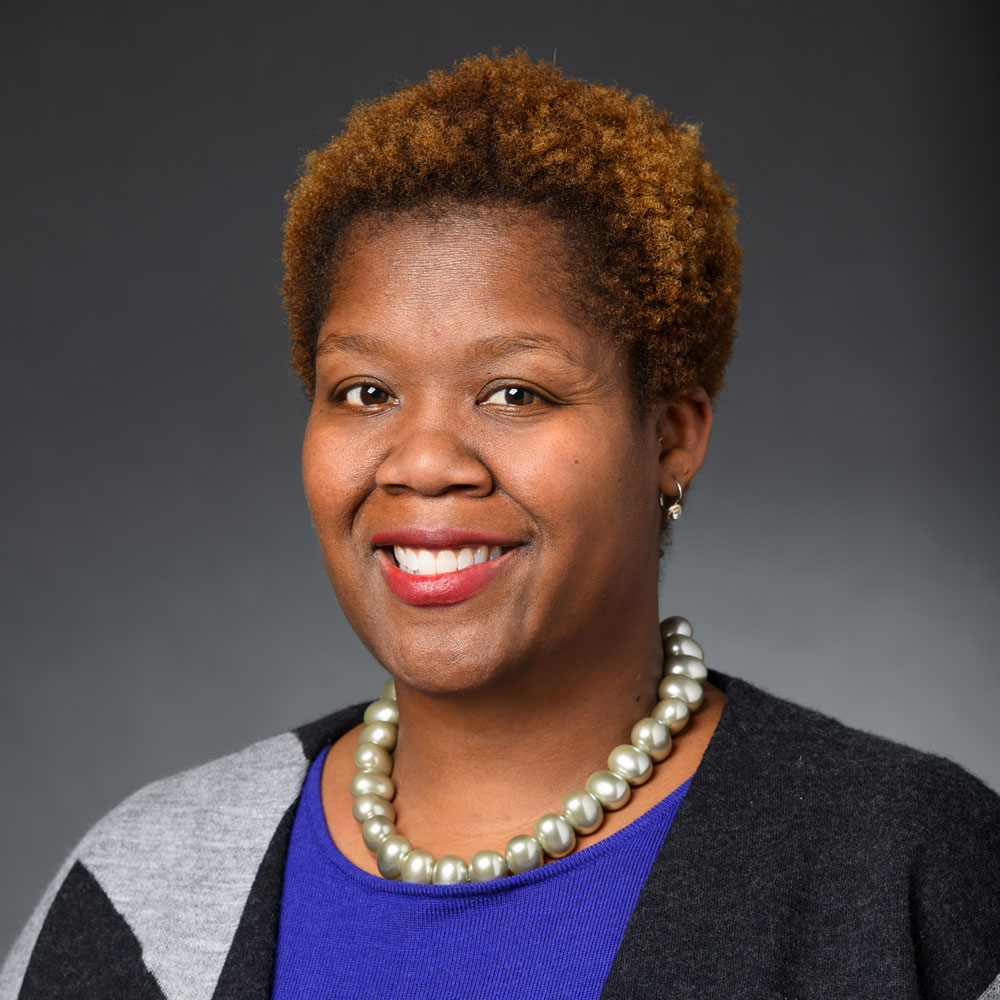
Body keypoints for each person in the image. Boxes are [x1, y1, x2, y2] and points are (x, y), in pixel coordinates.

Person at [2, 50, 998, 1000]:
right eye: (363, 391)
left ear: (671, 436)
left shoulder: (904, 864)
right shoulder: (146, 888)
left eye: (515, 392)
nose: (423, 461)